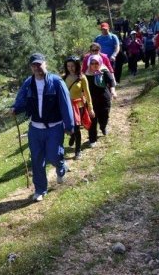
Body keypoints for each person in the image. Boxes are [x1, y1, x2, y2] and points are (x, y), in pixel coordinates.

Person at [11, 53, 74, 202]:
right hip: (35, 128)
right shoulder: (29, 83)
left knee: (53, 155)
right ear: (31, 67)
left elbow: (66, 105)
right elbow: (21, 99)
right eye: (34, 65)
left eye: (39, 64)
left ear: (45, 64)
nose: (37, 67)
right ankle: (40, 189)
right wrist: (15, 109)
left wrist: (69, 125)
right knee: (37, 160)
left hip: (54, 127)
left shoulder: (56, 82)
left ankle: (61, 166)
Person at [62, 56, 94, 160]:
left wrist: (90, 108)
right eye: (68, 66)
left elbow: (88, 94)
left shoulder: (82, 77)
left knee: (76, 128)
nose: (70, 68)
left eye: (72, 66)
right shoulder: (63, 78)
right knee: (69, 127)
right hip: (67, 106)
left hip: (78, 106)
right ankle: (72, 136)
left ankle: (78, 151)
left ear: (77, 65)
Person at [84, 54, 117, 147]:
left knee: (104, 116)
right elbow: (82, 88)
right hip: (91, 101)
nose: (94, 65)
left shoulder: (104, 71)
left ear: (100, 63)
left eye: (96, 63)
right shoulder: (86, 75)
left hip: (104, 99)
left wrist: (113, 91)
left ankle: (103, 127)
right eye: (92, 63)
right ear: (89, 64)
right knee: (92, 120)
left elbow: (111, 82)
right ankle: (92, 139)